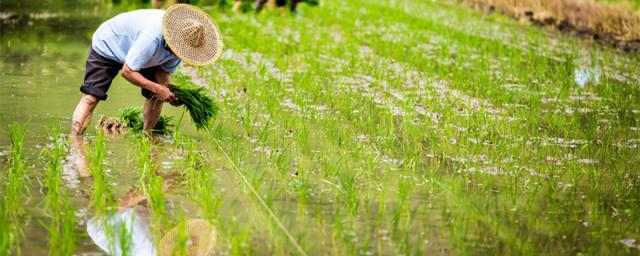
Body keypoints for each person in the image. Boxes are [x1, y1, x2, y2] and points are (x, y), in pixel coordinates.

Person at [70, 4, 223, 136]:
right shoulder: (152, 36)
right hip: (109, 44)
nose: (180, 54)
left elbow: (163, 73)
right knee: (91, 97)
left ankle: (147, 137)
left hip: (142, 54)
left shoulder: (183, 47)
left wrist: (169, 92)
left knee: (156, 96)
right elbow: (127, 71)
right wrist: (157, 88)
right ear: (173, 39)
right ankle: (75, 141)